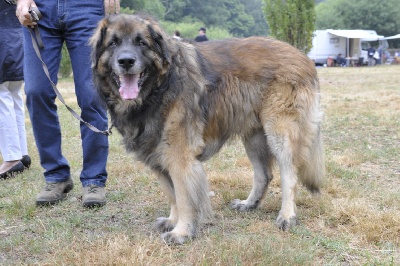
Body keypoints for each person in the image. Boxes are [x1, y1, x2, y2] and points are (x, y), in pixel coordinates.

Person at [14, 0, 120, 207]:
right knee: (36, 91)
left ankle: (94, 179)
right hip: (40, 8)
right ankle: (56, 176)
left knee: (91, 94)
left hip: (87, 7)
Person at [0, 1, 31, 179]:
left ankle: (12, 158)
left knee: (2, 96)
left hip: (3, 36)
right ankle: (21, 153)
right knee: (13, 94)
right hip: (16, 34)